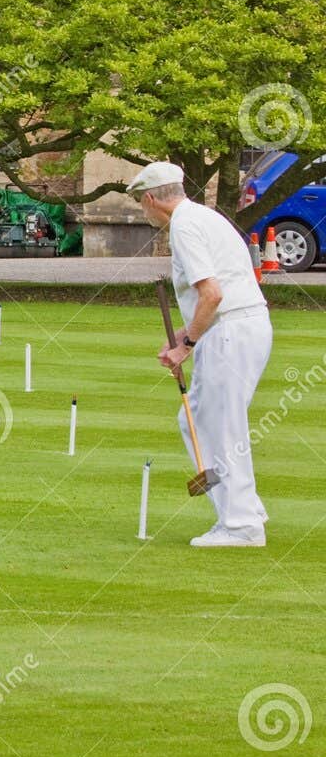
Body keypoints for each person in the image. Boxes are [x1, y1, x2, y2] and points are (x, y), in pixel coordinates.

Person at [127, 162, 271, 547]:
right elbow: (218, 294)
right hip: (243, 326)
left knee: (220, 428)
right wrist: (181, 335)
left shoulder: (184, 227)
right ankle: (245, 510)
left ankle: (241, 525)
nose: (143, 210)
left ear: (150, 198)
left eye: (140, 203)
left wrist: (185, 347)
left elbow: (213, 295)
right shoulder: (205, 216)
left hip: (231, 333)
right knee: (205, 420)